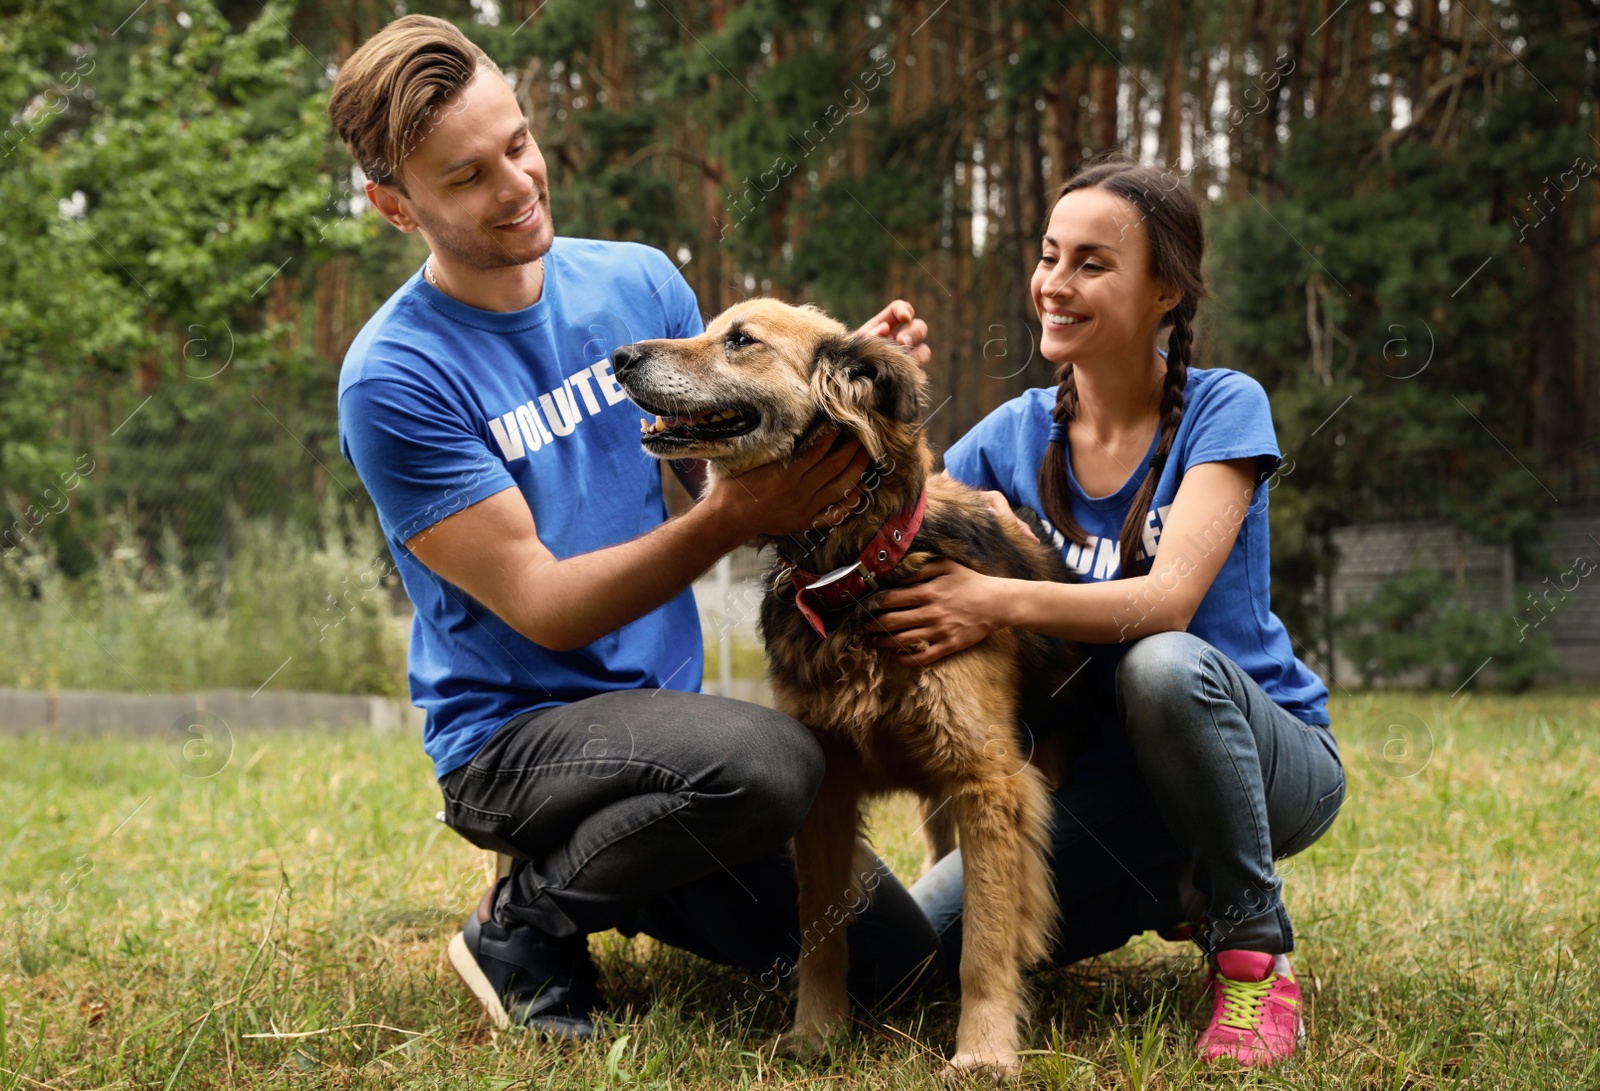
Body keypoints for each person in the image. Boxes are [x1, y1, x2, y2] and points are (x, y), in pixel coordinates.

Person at [327, 15, 941, 1040]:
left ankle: (630, 871)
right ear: (396, 204)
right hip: (513, 741)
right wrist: (725, 520)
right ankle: (523, 922)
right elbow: (546, 607)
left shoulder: (638, 282)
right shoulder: (393, 377)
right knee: (775, 760)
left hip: (671, 739)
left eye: (518, 143)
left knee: (897, 966)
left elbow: (746, 464)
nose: (517, 186)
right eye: (467, 175)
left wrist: (842, 383)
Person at [869, 156, 1345, 1068]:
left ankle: (1251, 952)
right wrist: (856, 376)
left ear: (1165, 288)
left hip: (1261, 756)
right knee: (906, 954)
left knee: (1160, 664)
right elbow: (882, 513)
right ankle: (1167, 883)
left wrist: (998, 590)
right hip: (1101, 788)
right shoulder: (1013, 434)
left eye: (1093, 262)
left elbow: (1168, 603)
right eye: (1051, 256)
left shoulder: (1222, 408)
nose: (1056, 282)